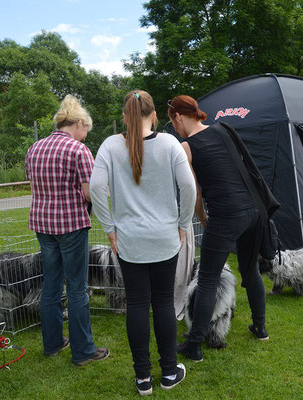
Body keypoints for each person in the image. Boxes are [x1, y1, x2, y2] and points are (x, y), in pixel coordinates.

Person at [90, 90, 196, 395]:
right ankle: (168, 372)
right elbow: (189, 186)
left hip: (129, 241)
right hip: (165, 238)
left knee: (137, 304)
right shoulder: (169, 143)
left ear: (125, 116)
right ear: (154, 115)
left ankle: (142, 378)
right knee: (163, 303)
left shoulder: (111, 145)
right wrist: (183, 223)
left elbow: (96, 186)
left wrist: (109, 228)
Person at [167, 95, 270, 363]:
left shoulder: (186, 147)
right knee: (251, 272)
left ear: (178, 116)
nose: (175, 128)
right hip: (253, 210)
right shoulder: (223, 128)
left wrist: (202, 219)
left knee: (208, 279)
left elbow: (195, 192)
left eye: (173, 122)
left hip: (226, 214)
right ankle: (260, 329)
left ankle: (195, 345)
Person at [25, 95, 109, 366]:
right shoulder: (78, 151)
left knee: (50, 284)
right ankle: (84, 351)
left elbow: (34, 186)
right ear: (80, 123)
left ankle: (52, 344)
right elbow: (89, 193)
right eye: (86, 131)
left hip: (42, 223)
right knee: (77, 288)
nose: (86, 136)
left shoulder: (34, 148)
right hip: (71, 225)